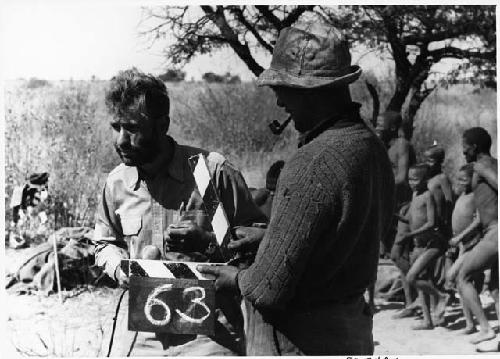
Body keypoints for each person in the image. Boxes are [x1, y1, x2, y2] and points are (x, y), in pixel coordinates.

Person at [199, 22, 395, 355]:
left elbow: (266, 289)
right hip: (352, 330)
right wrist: (274, 237)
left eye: (283, 87)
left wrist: (232, 278)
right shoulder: (371, 148)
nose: (279, 100)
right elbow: (342, 235)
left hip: (299, 341)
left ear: (311, 90)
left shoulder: (311, 163)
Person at [93, 68, 266, 356]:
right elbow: (104, 243)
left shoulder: (207, 174)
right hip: (143, 337)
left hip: (209, 338)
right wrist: (118, 267)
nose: (120, 140)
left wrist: (208, 242)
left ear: (162, 125)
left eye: (132, 128)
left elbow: (260, 246)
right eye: (116, 127)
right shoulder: (118, 183)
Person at [455, 127, 498, 347]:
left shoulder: (482, 166)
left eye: (464, 147)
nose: (463, 152)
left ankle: (485, 328)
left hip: (495, 232)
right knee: (496, 287)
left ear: (474, 147)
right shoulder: (494, 163)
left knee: (462, 277)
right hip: (491, 231)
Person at [404, 164, 449, 330]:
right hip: (418, 246)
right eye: (409, 179)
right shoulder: (414, 194)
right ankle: (427, 320)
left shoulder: (427, 195)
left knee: (411, 278)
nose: (412, 182)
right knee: (423, 283)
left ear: (425, 180)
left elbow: (431, 222)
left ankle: (441, 296)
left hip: (431, 245)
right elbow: (412, 217)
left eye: (416, 179)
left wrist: (411, 234)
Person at [445, 164, 483, 335]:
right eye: (459, 179)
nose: (461, 182)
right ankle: (470, 324)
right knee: (462, 285)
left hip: (472, 243)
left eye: (464, 179)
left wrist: (460, 237)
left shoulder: (476, 196)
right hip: (461, 245)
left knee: (452, 276)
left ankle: (477, 323)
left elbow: (478, 221)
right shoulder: (461, 195)